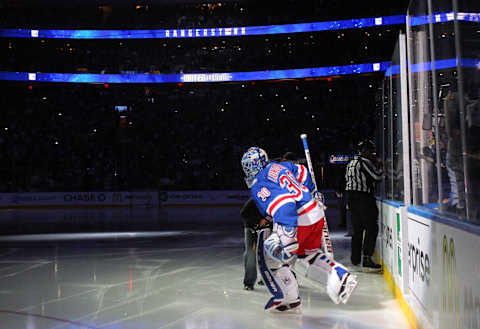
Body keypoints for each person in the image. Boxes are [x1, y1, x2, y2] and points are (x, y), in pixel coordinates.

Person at [241, 147, 357, 312]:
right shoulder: (278, 166)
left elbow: (285, 203)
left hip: (298, 217)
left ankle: (289, 297)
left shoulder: (260, 184)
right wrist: (312, 191)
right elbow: (302, 171)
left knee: (273, 258)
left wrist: (287, 234)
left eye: (248, 166)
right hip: (313, 211)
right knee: (308, 255)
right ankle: (339, 275)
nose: (247, 170)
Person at [240, 151, 298, 291]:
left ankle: (285, 276)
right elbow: (246, 214)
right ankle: (250, 281)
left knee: (280, 249)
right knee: (252, 252)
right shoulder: (269, 177)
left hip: (267, 219)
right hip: (253, 222)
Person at [345, 140, 383, 272]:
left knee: (357, 230)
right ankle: (367, 258)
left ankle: (355, 258)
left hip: (351, 198)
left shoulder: (351, 163)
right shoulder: (363, 162)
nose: (372, 154)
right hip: (363, 198)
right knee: (372, 228)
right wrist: (381, 167)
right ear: (365, 151)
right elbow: (377, 177)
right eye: (370, 151)